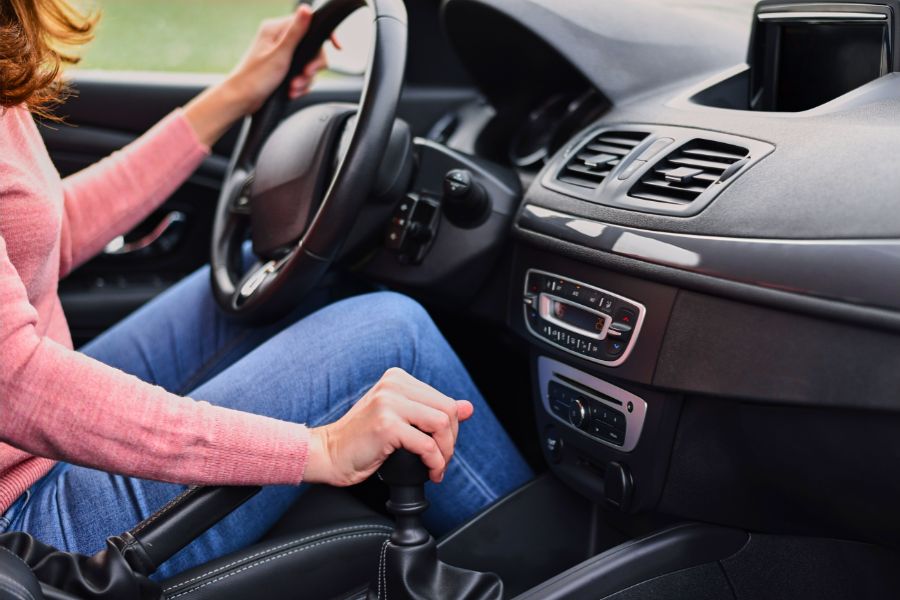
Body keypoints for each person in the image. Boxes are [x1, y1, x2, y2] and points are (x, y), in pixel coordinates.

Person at [0, 1, 532, 579]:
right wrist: (318, 449)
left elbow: (52, 229)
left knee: (290, 272)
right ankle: (548, 572)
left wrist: (239, 92)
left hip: (27, 441)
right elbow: (16, 385)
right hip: (25, 522)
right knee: (391, 333)